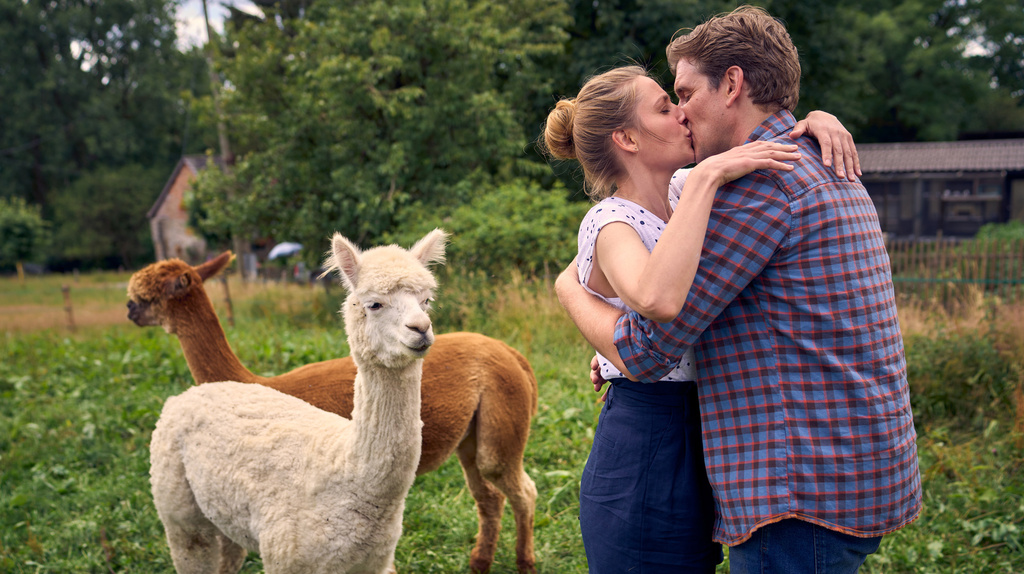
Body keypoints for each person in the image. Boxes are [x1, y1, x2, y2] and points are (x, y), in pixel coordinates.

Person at [553, 7, 921, 574]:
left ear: (732, 84)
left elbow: (647, 348)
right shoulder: (810, 160)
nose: (681, 113)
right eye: (668, 104)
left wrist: (569, 291)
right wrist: (815, 117)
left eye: (683, 94)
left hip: (801, 489)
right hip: (840, 471)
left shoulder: (757, 189)